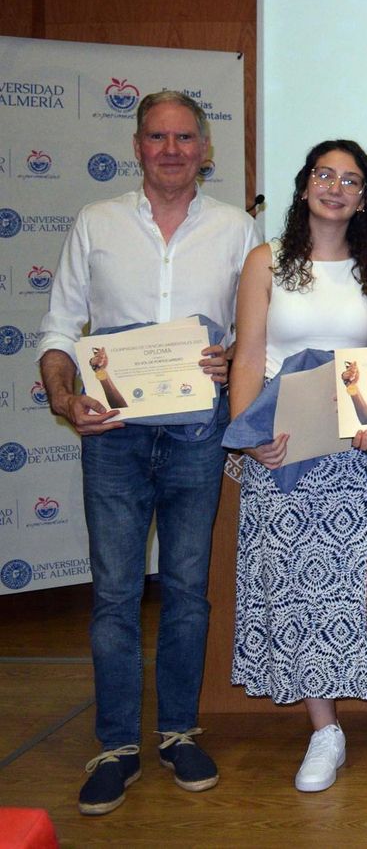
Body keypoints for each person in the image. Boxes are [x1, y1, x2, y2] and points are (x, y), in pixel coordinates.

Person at [37, 91, 255, 816]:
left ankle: (178, 733)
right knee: (114, 596)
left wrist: (231, 360)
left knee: (189, 593)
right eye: (157, 136)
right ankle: (115, 746)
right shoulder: (96, 223)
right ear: (137, 146)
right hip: (114, 437)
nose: (171, 149)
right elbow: (60, 328)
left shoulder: (237, 229)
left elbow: (249, 335)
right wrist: (67, 400)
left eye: (185, 137)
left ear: (205, 148)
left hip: (197, 431)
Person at [228, 139, 367, 792]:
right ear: (304, 183)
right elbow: (249, 355)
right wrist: (248, 435)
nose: (335, 188)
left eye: (350, 180)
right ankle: (325, 731)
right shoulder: (267, 261)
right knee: (298, 590)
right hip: (281, 451)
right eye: (324, 175)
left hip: (357, 454)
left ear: (365, 196)